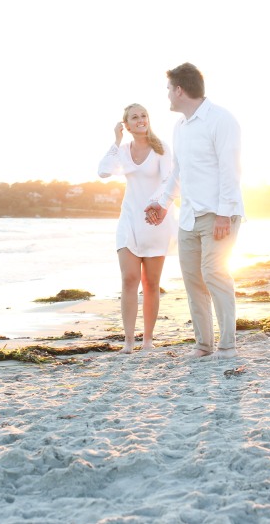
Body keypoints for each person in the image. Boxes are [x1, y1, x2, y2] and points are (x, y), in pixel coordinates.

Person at [145, 62, 245, 359]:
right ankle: (204, 344)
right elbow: (178, 173)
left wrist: (225, 213)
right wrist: (162, 204)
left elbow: (231, 169)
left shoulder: (221, 120)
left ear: (179, 90)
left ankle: (227, 346)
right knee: (193, 280)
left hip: (218, 214)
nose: (166, 97)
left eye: (168, 90)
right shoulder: (180, 127)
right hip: (188, 217)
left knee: (215, 273)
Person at [98, 103, 177, 354]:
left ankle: (148, 341)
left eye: (144, 115)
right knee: (129, 279)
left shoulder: (161, 148)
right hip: (129, 220)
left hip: (155, 221)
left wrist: (156, 203)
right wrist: (116, 139)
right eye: (135, 117)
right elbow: (103, 171)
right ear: (127, 124)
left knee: (151, 283)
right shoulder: (121, 150)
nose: (141, 120)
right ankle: (129, 342)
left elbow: (169, 180)